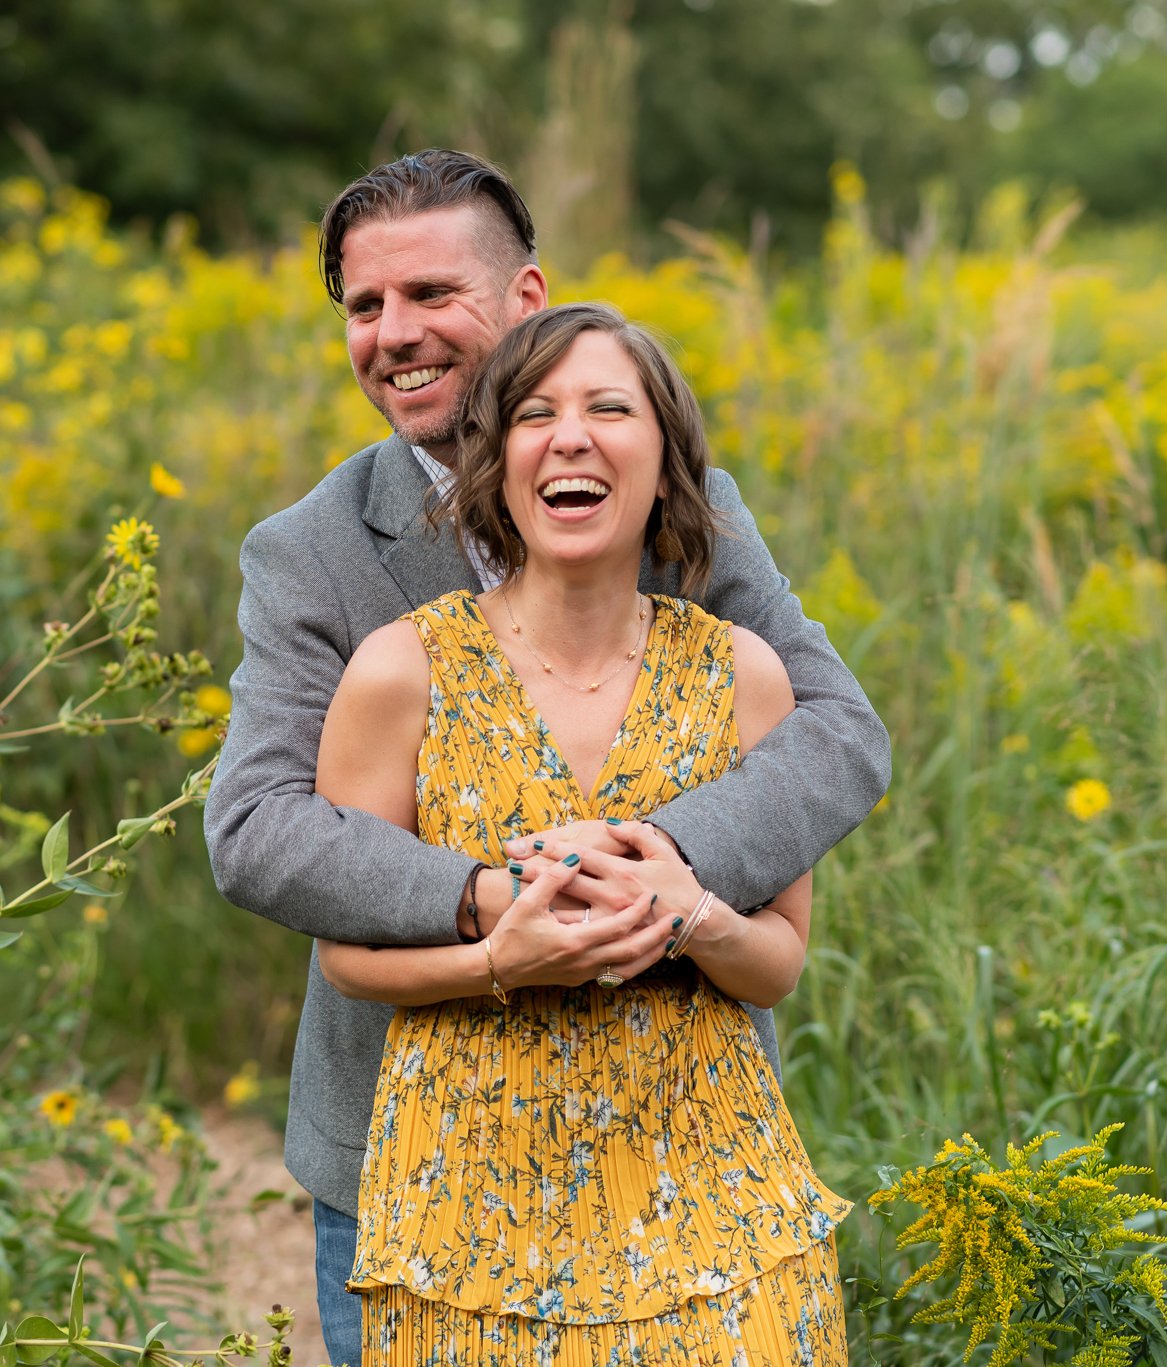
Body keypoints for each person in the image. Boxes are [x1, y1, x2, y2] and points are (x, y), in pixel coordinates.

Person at [201, 149, 891, 1366]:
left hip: (683, 1149)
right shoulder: (309, 552)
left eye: (428, 295)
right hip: (411, 1160)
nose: (392, 335)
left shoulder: (671, 499)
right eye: (364, 307)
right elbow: (255, 827)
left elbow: (838, 734)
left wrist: (659, 865)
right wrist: (489, 901)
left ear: (526, 301)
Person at [314, 301, 854, 1362]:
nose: (571, 435)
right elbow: (345, 952)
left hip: (714, 1208)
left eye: (610, 408)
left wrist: (693, 914)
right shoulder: (396, 669)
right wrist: (493, 960)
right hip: (463, 1213)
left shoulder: (744, 671)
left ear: (665, 462)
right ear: (495, 466)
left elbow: (778, 963)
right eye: (533, 414)